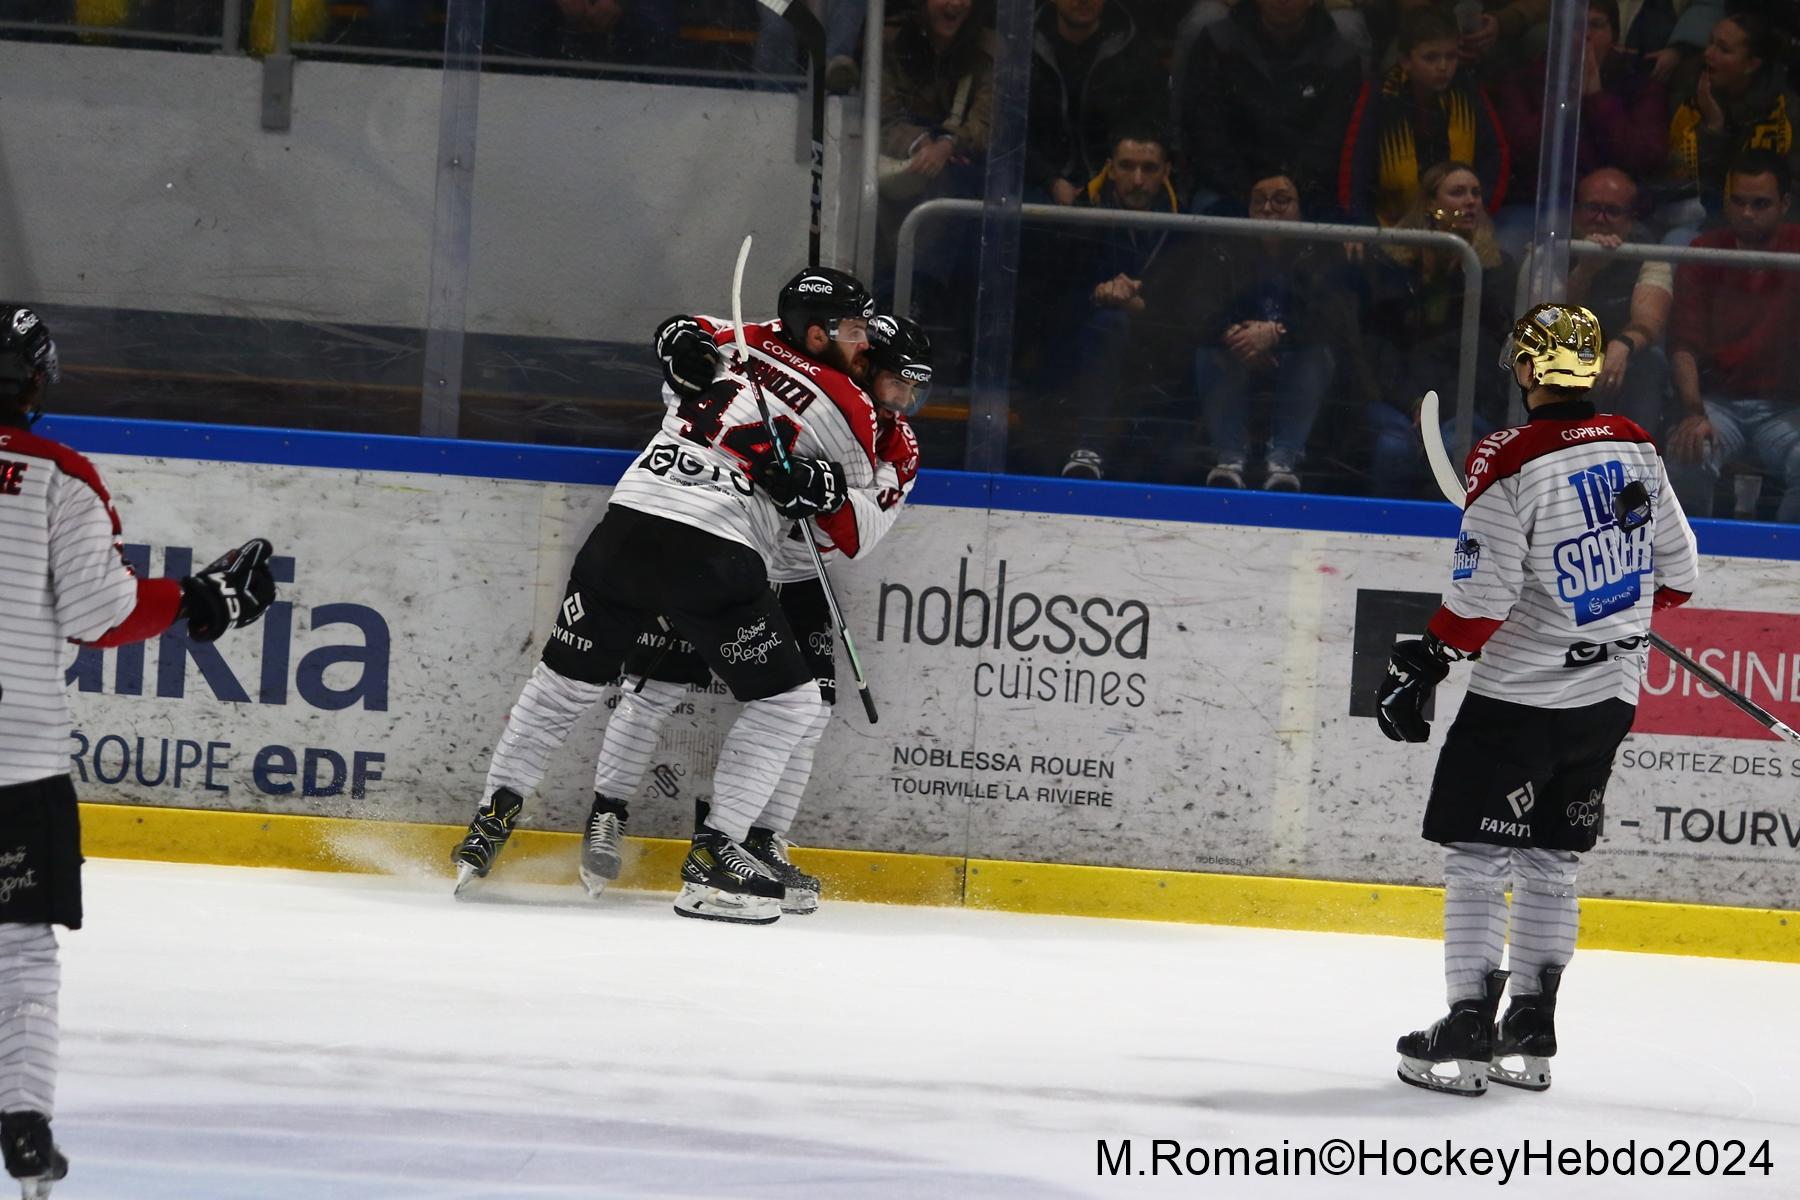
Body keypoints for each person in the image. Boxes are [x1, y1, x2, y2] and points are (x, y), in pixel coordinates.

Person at [453, 267, 881, 925]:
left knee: (561, 687)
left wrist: (675, 338)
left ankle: (491, 819)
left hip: (628, 524)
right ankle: (715, 853)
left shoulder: (736, 337)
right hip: (714, 553)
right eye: (854, 331)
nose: (866, 344)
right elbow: (843, 516)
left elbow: (681, 337)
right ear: (819, 333)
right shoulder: (852, 405)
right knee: (789, 705)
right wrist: (818, 489)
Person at [1376, 302, 1699, 1096]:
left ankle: (1465, 1028)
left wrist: (1426, 659)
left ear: (1525, 369)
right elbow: (1681, 572)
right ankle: (1532, 1027)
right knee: (1553, 857)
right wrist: (1610, 614)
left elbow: (1482, 603)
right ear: (1589, 367)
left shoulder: (1505, 457)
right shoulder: (1636, 444)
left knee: (1480, 856)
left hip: (1520, 700)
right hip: (1608, 699)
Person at [0, 306, 277, 1193]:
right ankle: (25, 1123)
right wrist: (202, 603)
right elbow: (97, 613)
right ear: (37, 382)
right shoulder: (58, 477)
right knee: (19, 949)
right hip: (17, 764)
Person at [574, 316, 930, 916]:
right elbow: (701, 372)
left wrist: (827, 494)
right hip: (716, 552)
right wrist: (675, 339)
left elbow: (860, 535)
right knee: (654, 688)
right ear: (864, 365)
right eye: (896, 384)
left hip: (792, 574)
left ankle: (760, 842)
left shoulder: (898, 444)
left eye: (914, 390)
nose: (904, 402)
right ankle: (607, 813)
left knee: (809, 710)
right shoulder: (797, 374)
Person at [1144, 171, 1355, 489]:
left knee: (1317, 354)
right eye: (1259, 201)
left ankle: (1283, 460)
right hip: (1237, 361)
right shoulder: (1225, 246)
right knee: (1209, 352)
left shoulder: (1323, 249)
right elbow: (1198, 307)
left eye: (1281, 200)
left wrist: (1277, 335)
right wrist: (1235, 336)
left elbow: (1331, 317)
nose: (1268, 209)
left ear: (1300, 208)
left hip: (1296, 365)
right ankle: (1230, 458)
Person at [1015, 123, 1182, 478]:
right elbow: (1044, 307)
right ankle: (1088, 445)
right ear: (1110, 167)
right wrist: (1097, 297)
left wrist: (1142, 306)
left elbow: (1193, 308)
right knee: (1110, 323)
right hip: (1078, 355)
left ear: (1166, 172)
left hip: (1157, 360)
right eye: (1126, 166)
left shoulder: (1184, 224)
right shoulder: (1078, 217)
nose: (1137, 179)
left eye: (1149, 169)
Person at [1355, 159, 1518, 497]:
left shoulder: (1496, 269)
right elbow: (1381, 348)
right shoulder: (1392, 266)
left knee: (1450, 446)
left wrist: (1437, 405)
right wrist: (1414, 400)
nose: (1471, 200)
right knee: (1393, 447)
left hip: (1467, 402)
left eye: (1475, 193)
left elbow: (1488, 353)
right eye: (1458, 193)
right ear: (1429, 204)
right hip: (1399, 399)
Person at [1664, 151, 1800, 520]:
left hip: (1788, 410)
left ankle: (1784, 566)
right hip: (1718, 404)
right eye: (1737, 202)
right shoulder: (1705, 250)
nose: (1747, 213)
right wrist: (1693, 412)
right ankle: (1695, 564)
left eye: (1760, 204)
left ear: (1785, 204)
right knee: (1686, 455)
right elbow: (1683, 344)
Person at [1514, 166, 1673, 434]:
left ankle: (1636, 454)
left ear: (1630, 219)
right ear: (1576, 212)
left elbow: (1650, 321)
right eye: (1592, 208)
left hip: (1619, 362)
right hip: (1563, 354)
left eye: (1612, 211)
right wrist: (1585, 271)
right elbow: (1543, 323)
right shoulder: (1548, 253)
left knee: (1652, 362)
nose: (1600, 218)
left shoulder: (1649, 253)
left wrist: (1622, 346)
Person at [1175, 0, 1364, 216]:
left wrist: (1287, 192)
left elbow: (1330, 142)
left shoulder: (1340, 56)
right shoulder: (1217, 42)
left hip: (1306, 195)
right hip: (1230, 191)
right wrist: (1250, 193)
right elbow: (1206, 132)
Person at [1337, 7, 1511, 228]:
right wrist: (1359, 225)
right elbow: (1355, 168)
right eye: (1431, 57)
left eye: (1451, 56)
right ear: (1405, 61)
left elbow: (1496, 154)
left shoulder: (1469, 91)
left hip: (1462, 223)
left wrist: (1480, 211)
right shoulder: (1379, 97)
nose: (1443, 67)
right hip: (1391, 224)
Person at [1494, 0, 1669, 196]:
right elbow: (1518, 154)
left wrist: (1597, 100)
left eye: (1596, 25)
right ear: (1558, 35)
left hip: (1615, 208)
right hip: (1539, 205)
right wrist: (1568, 100)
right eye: (1576, 26)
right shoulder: (1525, 80)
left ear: (1614, 36)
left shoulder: (1640, 84)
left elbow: (1646, 159)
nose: (1586, 35)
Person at [1662, 8, 1800, 229]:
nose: (1708, 53)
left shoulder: (1786, 111)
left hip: (1765, 222)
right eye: (1711, 42)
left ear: (1752, 65)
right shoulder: (1688, 84)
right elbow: (1686, 180)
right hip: (1697, 211)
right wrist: (1714, 127)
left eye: (1723, 49)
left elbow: (1793, 189)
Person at [1025, 0, 1166, 206]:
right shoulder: (1023, 47)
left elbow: (1147, 128)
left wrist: (1105, 181)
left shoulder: (1134, 49)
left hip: (1117, 182)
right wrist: (1050, 181)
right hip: (1038, 184)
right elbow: (1012, 132)